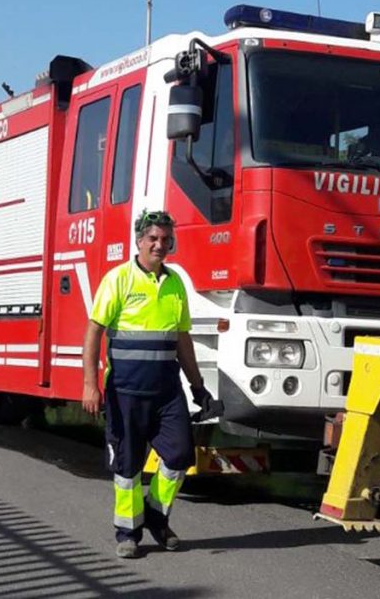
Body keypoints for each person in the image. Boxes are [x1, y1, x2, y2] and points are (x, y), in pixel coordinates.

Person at [82, 209, 220, 559]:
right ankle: (128, 533)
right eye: (153, 239)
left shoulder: (175, 284)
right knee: (127, 467)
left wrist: (198, 386)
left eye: (166, 239)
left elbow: (182, 339)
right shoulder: (119, 279)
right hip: (125, 391)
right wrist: (90, 384)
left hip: (166, 392)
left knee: (178, 457)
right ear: (139, 241)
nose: (160, 245)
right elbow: (94, 332)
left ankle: (156, 516)